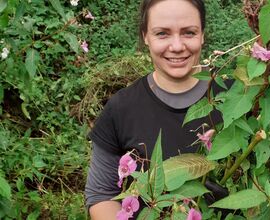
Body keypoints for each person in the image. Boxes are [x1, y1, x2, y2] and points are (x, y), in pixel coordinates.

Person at [85, 0, 230, 219]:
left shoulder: (239, 96)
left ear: (203, 35)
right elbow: (101, 195)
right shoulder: (122, 108)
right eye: (162, 33)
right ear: (145, 36)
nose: (177, 46)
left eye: (189, 33)